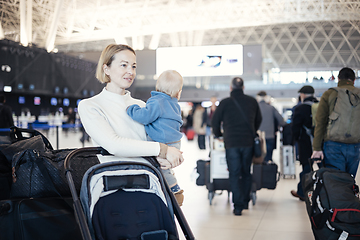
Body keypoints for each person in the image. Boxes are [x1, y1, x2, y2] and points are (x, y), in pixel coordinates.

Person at [77, 44, 185, 205]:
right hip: (117, 190)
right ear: (106, 69)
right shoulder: (91, 106)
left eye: (133, 66)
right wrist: (163, 150)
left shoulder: (141, 106)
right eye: (124, 65)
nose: (131, 71)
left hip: (151, 185)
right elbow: (115, 145)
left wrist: (164, 158)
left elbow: (151, 140)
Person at [126, 69, 184, 198]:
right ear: (178, 93)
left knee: (160, 168)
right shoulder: (175, 104)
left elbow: (145, 116)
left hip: (162, 141)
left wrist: (132, 109)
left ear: (157, 87)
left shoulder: (156, 101)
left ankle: (174, 188)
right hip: (175, 142)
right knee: (165, 167)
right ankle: (170, 185)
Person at [211, 77, 262, 216]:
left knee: (234, 174)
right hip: (248, 142)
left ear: (230, 87)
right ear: (243, 87)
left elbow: (215, 122)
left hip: (231, 143)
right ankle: (245, 202)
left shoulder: (225, 103)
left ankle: (238, 206)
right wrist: (252, 130)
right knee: (246, 172)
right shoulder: (252, 101)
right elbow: (259, 120)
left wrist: (219, 134)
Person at [312, 67, 360, 177]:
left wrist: (317, 148)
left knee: (336, 182)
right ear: (354, 80)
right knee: (349, 180)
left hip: (333, 145)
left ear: (338, 79)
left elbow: (320, 122)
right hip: (356, 146)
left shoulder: (330, 93)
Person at [290, 85, 319, 201]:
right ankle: (325, 192)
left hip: (305, 143)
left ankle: (302, 192)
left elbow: (295, 127)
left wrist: (294, 140)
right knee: (324, 168)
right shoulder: (320, 106)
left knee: (307, 169)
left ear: (302, 95)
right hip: (321, 143)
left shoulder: (300, 108)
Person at [256, 91, 285, 163]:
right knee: (268, 158)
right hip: (270, 136)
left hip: (258, 137)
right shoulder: (271, 108)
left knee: (258, 159)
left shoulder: (254, 108)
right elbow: (281, 121)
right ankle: (268, 173)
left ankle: (259, 173)